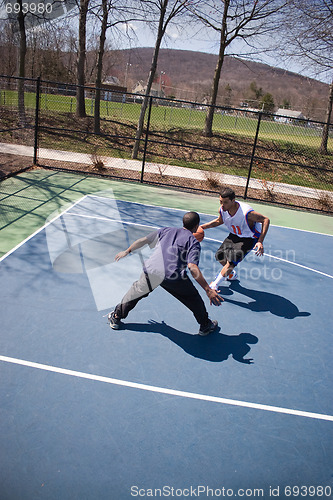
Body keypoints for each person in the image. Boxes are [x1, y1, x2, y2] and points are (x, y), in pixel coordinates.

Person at [108, 211, 223, 335]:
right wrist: (207, 289)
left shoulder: (166, 230)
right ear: (197, 226)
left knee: (135, 293)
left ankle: (116, 316)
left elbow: (144, 240)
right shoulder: (193, 242)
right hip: (172, 277)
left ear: (183, 222)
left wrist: (127, 250)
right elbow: (192, 266)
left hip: (151, 271)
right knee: (194, 300)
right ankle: (205, 325)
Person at [200, 187, 270, 290]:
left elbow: (266, 220)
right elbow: (219, 221)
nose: (222, 205)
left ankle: (215, 284)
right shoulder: (223, 210)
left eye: (225, 202)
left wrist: (260, 241)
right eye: (220, 202)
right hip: (234, 235)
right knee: (220, 256)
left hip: (249, 238)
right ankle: (231, 273)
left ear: (233, 201)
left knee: (231, 261)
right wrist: (201, 227)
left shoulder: (247, 213)